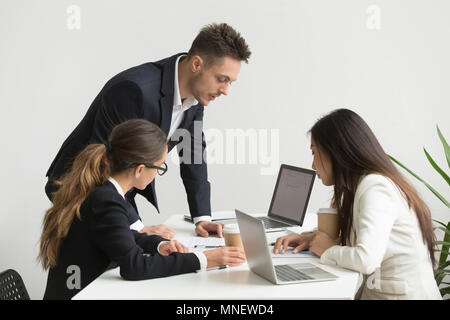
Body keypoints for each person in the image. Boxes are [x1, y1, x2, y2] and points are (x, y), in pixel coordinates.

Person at [45, 22, 251, 239]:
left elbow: (193, 154)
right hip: (79, 190)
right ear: (197, 64)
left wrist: (203, 218)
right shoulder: (134, 90)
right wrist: (136, 226)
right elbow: (104, 163)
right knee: (105, 266)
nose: (226, 91)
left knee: (136, 258)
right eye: (222, 79)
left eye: (231, 82)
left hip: (116, 191)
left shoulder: (197, 95)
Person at [38, 119, 246, 300]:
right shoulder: (107, 200)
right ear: (139, 169)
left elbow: (116, 236)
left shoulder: (102, 192)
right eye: (160, 167)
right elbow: (134, 267)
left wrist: (158, 245)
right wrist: (205, 259)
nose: (158, 174)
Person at [273, 109, 442, 300]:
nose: (313, 165)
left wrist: (327, 249)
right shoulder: (360, 186)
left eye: (314, 153)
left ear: (335, 152)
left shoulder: (375, 187)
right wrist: (311, 239)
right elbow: (361, 238)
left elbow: (366, 259)